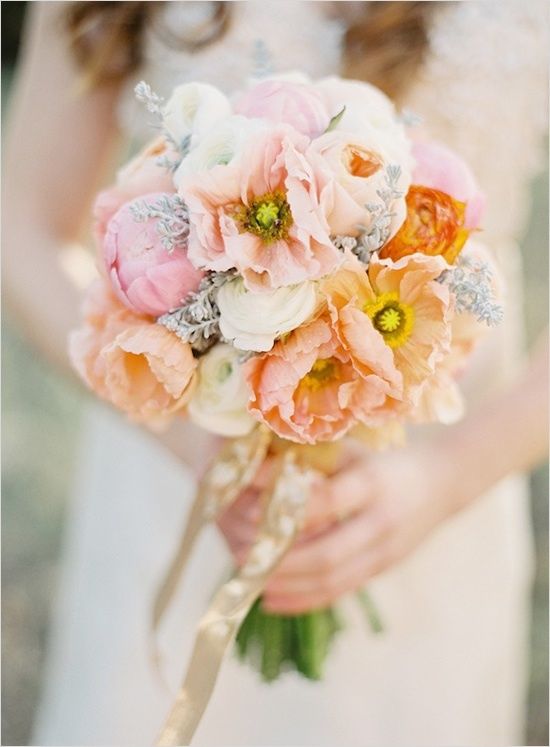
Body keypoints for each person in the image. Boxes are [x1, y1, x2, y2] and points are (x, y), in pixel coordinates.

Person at [4, 2, 548, 745]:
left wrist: (442, 480)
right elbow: (23, 225)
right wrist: (196, 439)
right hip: (178, 480)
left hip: (434, 490)